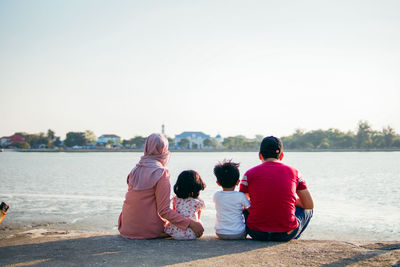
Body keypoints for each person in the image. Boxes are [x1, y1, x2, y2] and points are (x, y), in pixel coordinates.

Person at [118, 133, 204, 239]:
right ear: (164, 149)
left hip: (126, 228)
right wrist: (190, 223)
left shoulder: (134, 170)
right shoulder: (161, 173)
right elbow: (164, 211)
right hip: (148, 230)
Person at [239, 136, 314, 241]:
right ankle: (292, 234)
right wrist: (290, 201)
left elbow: (242, 203)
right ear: (282, 155)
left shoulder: (249, 174)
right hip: (285, 234)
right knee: (308, 211)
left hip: (256, 233)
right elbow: (309, 205)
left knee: (245, 208)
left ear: (260, 155)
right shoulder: (295, 173)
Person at [213, 160, 250, 240]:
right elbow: (250, 210)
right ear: (238, 182)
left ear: (218, 183)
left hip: (220, 233)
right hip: (239, 233)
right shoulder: (241, 196)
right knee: (246, 211)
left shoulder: (216, 195)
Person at [164, 170, 206, 240]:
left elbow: (175, 212)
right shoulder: (199, 201)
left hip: (175, 232)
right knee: (198, 221)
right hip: (192, 233)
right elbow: (198, 217)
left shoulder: (175, 199)